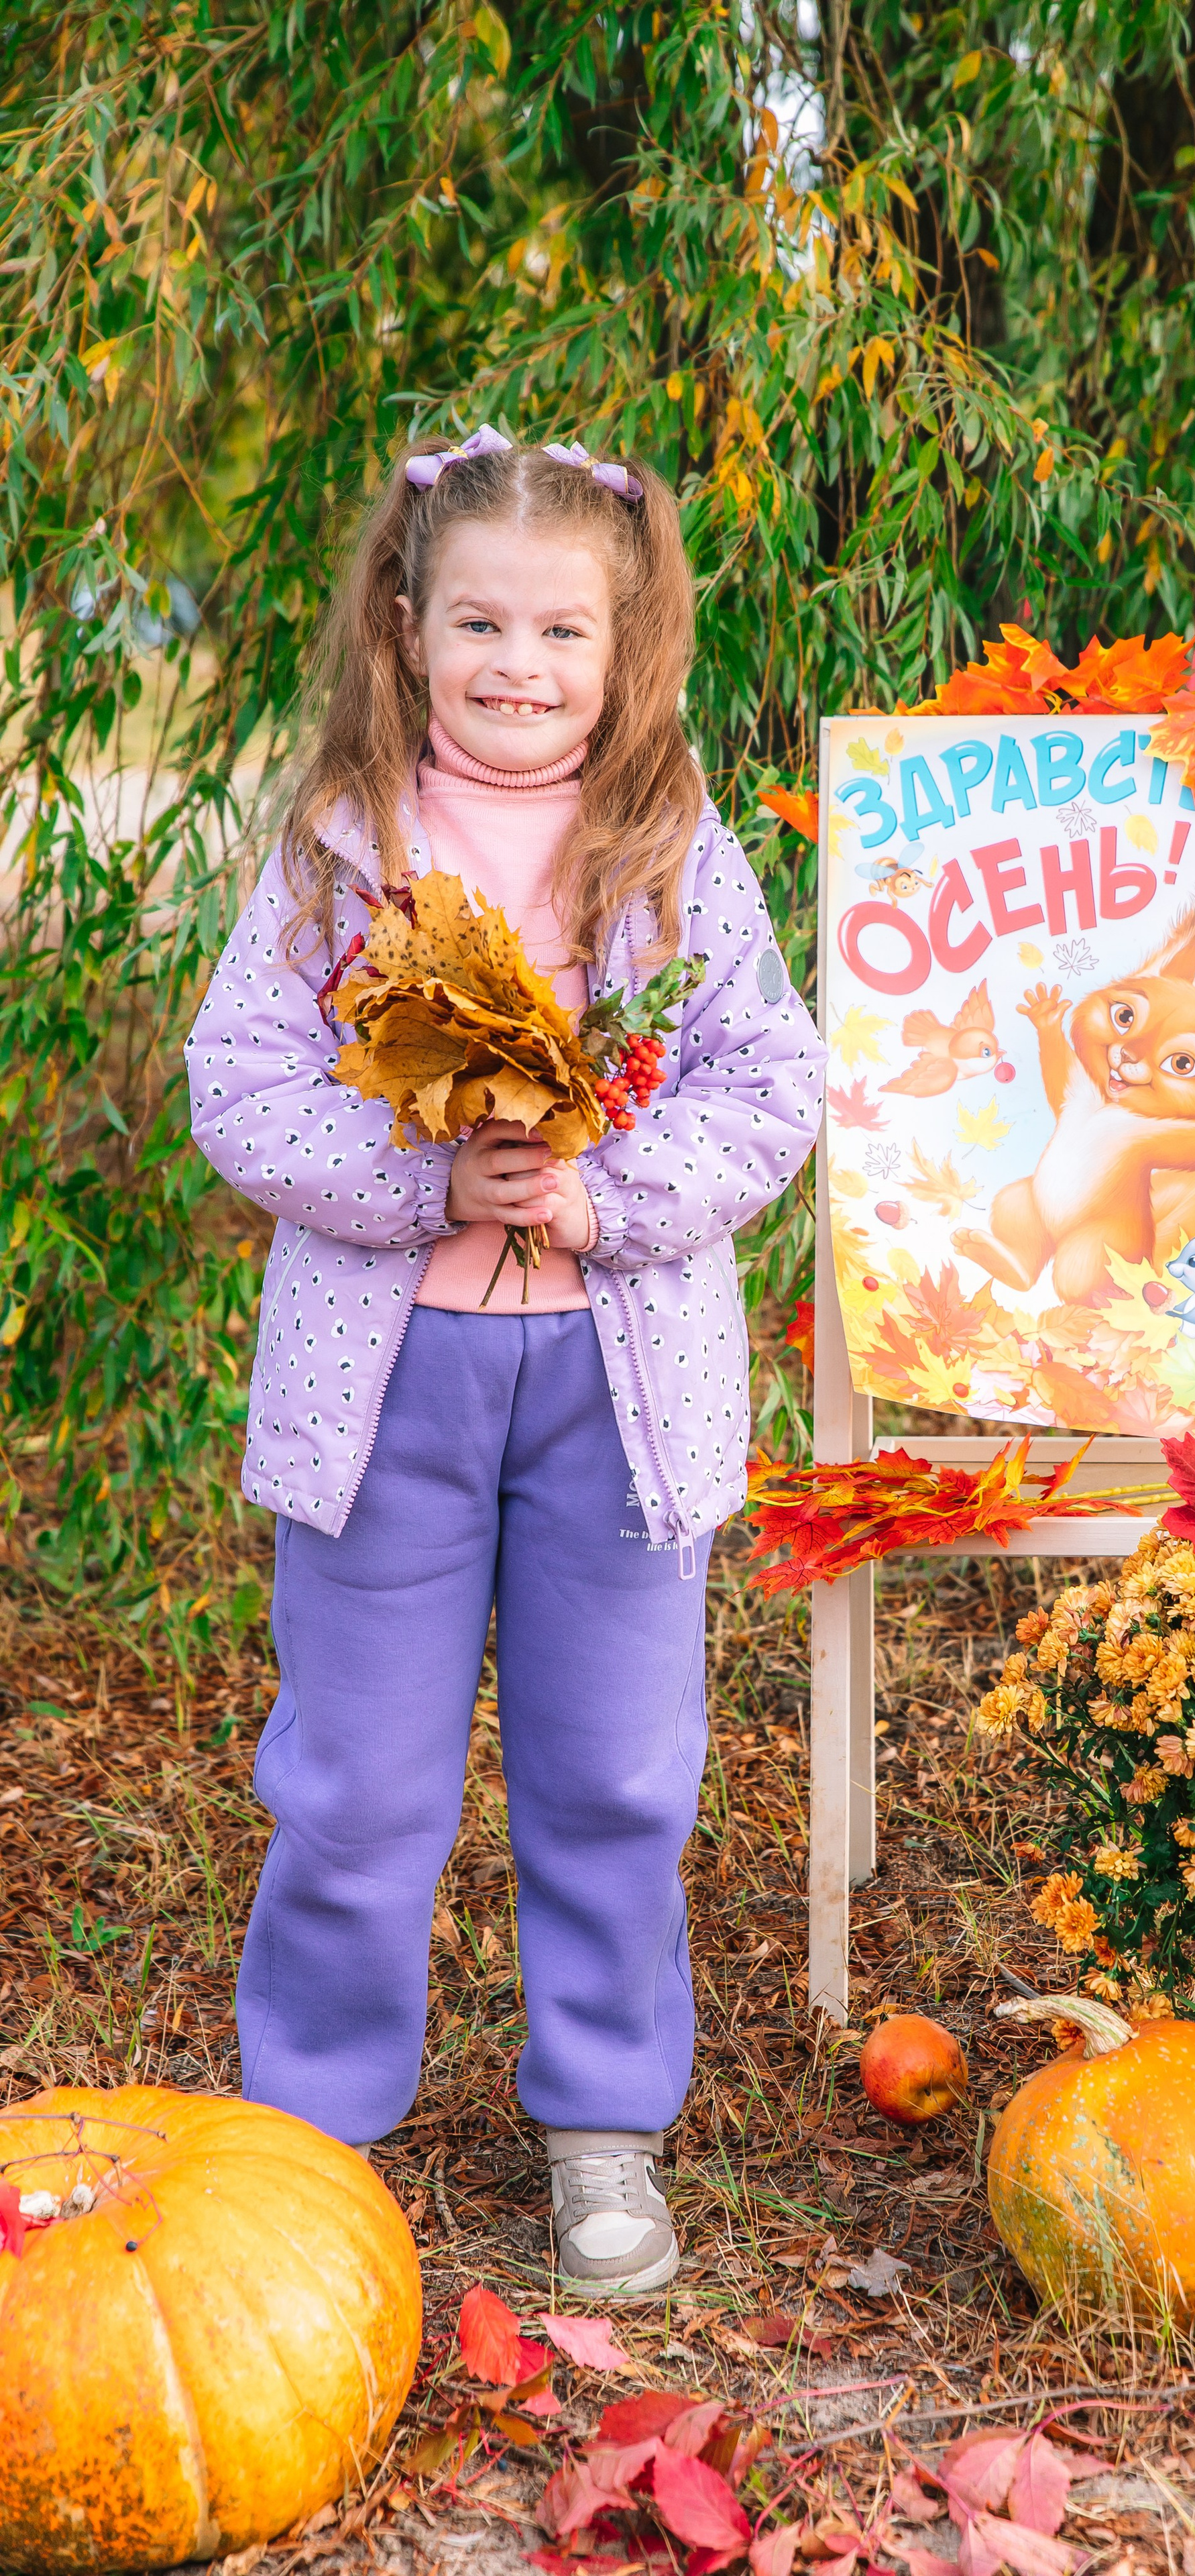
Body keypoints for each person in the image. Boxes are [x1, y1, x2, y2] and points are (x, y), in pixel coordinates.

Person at [186, 423, 826, 2296]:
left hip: (617, 1393)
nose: (520, 668)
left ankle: (606, 2127)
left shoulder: (673, 848)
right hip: (387, 1393)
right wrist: (420, 1172)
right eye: (482, 625)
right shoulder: (340, 849)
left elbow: (770, 1083)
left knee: (618, 1766)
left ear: (627, 651)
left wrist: (608, 1190)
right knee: (360, 1775)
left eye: (563, 634)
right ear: (405, 621)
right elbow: (242, 1084)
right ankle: (314, 2138)